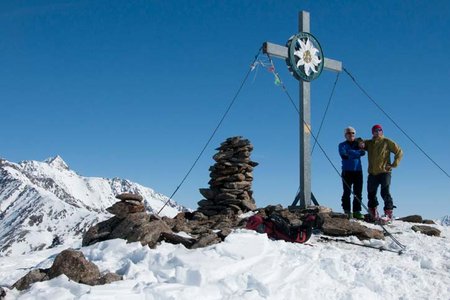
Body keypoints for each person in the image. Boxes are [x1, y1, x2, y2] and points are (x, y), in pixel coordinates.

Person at [359, 124, 403, 222]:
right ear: (372, 133)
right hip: (372, 173)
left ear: (382, 131)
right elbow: (359, 141)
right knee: (371, 194)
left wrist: (394, 164)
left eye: (379, 130)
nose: (377, 132)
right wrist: (360, 143)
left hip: (384, 172)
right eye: (375, 131)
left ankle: (388, 214)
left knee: (385, 192)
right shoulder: (370, 143)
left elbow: (399, 151)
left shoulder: (387, 142)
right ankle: (373, 213)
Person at [338, 126, 365, 219]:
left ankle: (357, 211)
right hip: (347, 172)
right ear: (345, 135)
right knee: (347, 192)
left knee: (358, 192)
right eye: (349, 133)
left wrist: (350, 152)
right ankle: (347, 211)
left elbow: (363, 153)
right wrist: (356, 153)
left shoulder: (358, 143)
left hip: (358, 171)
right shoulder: (342, 145)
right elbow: (344, 156)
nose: (351, 135)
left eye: (353, 133)